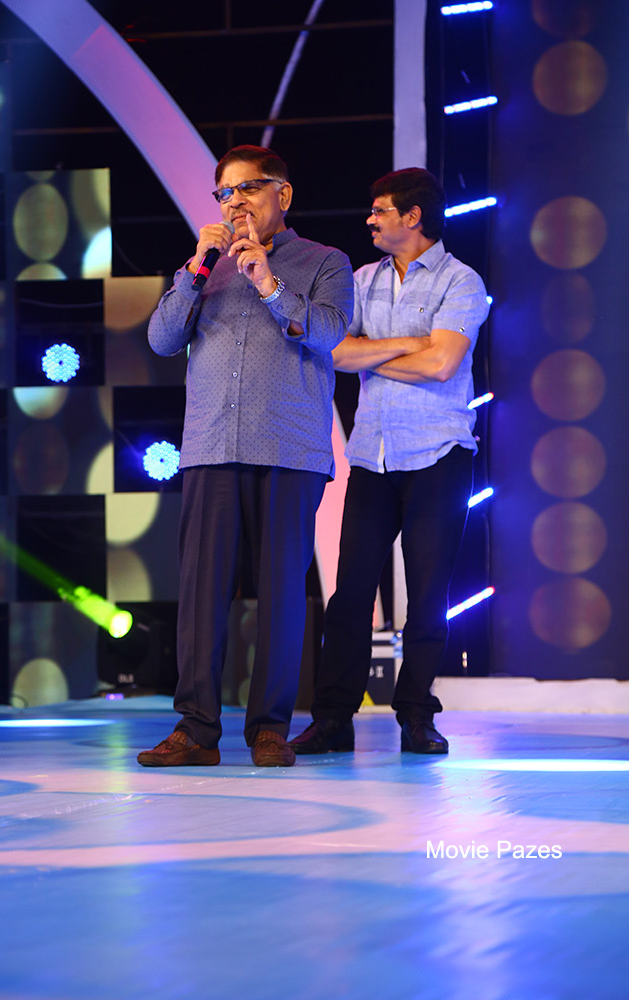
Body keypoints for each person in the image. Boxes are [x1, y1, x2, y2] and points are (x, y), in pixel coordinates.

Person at [138, 145, 353, 768]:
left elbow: (329, 332)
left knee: (281, 593)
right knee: (201, 592)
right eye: (225, 193)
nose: (234, 202)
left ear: (282, 195)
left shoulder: (325, 261)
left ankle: (269, 729)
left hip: (288, 446)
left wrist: (269, 284)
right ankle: (196, 729)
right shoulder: (204, 268)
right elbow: (161, 339)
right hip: (211, 445)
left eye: (248, 188)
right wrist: (194, 270)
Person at [290, 167, 490, 756]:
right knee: (350, 592)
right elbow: (334, 351)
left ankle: (416, 715)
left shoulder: (461, 280)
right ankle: (333, 718)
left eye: (380, 211)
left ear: (413, 217)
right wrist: (410, 343)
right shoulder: (361, 279)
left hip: (439, 454)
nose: (370, 220)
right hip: (372, 457)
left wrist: (372, 354)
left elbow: (442, 365)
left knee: (427, 596)